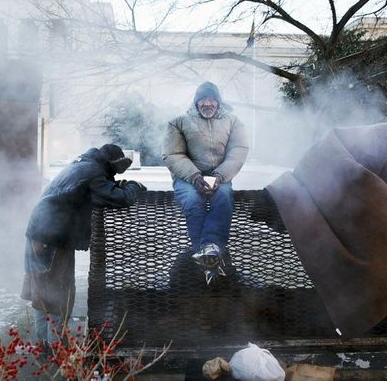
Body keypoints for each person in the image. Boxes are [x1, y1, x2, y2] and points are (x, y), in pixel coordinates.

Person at [20, 144, 146, 345]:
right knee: (58, 295)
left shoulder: (81, 165)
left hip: (38, 232)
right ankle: (56, 348)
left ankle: (43, 344)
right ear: (110, 165)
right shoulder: (94, 173)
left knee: (41, 293)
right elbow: (120, 198)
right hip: (54, 238)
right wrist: (134, 186)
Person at [162, 82, 248, 282]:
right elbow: (172, 154)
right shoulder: (178, 122)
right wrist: (195, 177)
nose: (207, 104)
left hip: (220, 176)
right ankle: (206, 256)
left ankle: (210, 249)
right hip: (187, 176)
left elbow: (238, 151)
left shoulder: (233, 122)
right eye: (203, 100)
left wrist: (220, 176)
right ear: (196, 102)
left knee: (224, 198)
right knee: (193, 200)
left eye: (212, 100)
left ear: (218, 102)